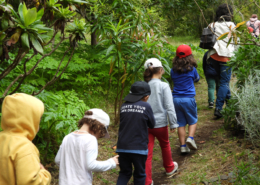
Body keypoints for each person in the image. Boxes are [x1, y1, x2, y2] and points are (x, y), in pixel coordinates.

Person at [55, 108, 119, 185]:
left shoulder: (68, 137)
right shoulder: (91, 139)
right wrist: (111, 162)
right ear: (99, 127)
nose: (99, 136)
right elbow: (91, 165)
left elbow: (58, 160)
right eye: (101, 133)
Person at [0, 93, 51, 185]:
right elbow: (29, 182)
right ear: (29, 121)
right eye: (38, 120)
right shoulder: (24, 147)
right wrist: (44, 175)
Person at [143, 58, 179, 185]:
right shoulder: (164, 85)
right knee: (165, 145)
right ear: (160, 70)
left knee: (147, 153)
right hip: (161, 124)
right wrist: (173, 123)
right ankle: (169, 168)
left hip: (145, 125)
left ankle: (147, 181)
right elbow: (169, 106)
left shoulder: (143, 86)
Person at [116, 81, 156, 185]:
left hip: (122, 146)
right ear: (146, 96)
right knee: (139, 174)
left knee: (124, 173)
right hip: (139, 148)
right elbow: (152, 124)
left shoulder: (123, 106)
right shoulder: (146, 106)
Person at [207, 4, 235, 118]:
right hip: (226, 56)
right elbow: (236, 42)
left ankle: (230, 104)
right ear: (229, 13)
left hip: (214, 55)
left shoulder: (212, 25)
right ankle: (218, 109)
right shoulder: (231, 25)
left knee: (223, 81)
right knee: (224, 82)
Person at [171, 45, 200, 153]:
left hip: (176, 99)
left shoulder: (172, 71)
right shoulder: (192, 70)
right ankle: (190, 138)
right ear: (190, 57)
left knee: (180, 123)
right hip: (188, 99)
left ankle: (183, 146)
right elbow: (197, 79)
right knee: (193, 120)